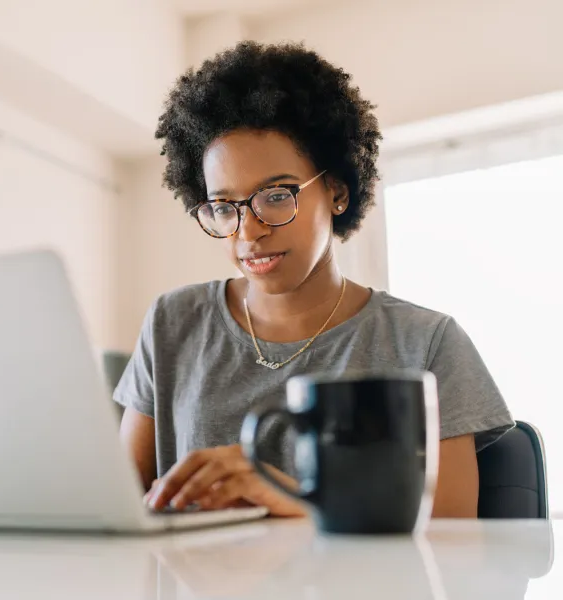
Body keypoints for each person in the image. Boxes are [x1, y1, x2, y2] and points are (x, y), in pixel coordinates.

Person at [114, 41, 513, 518]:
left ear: (337, 191)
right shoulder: (172, 324)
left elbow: (453, 546)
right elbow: (120, 512)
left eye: (277, 196)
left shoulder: (425, 344)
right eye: (224, 207)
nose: (249, 230)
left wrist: (291, 501)